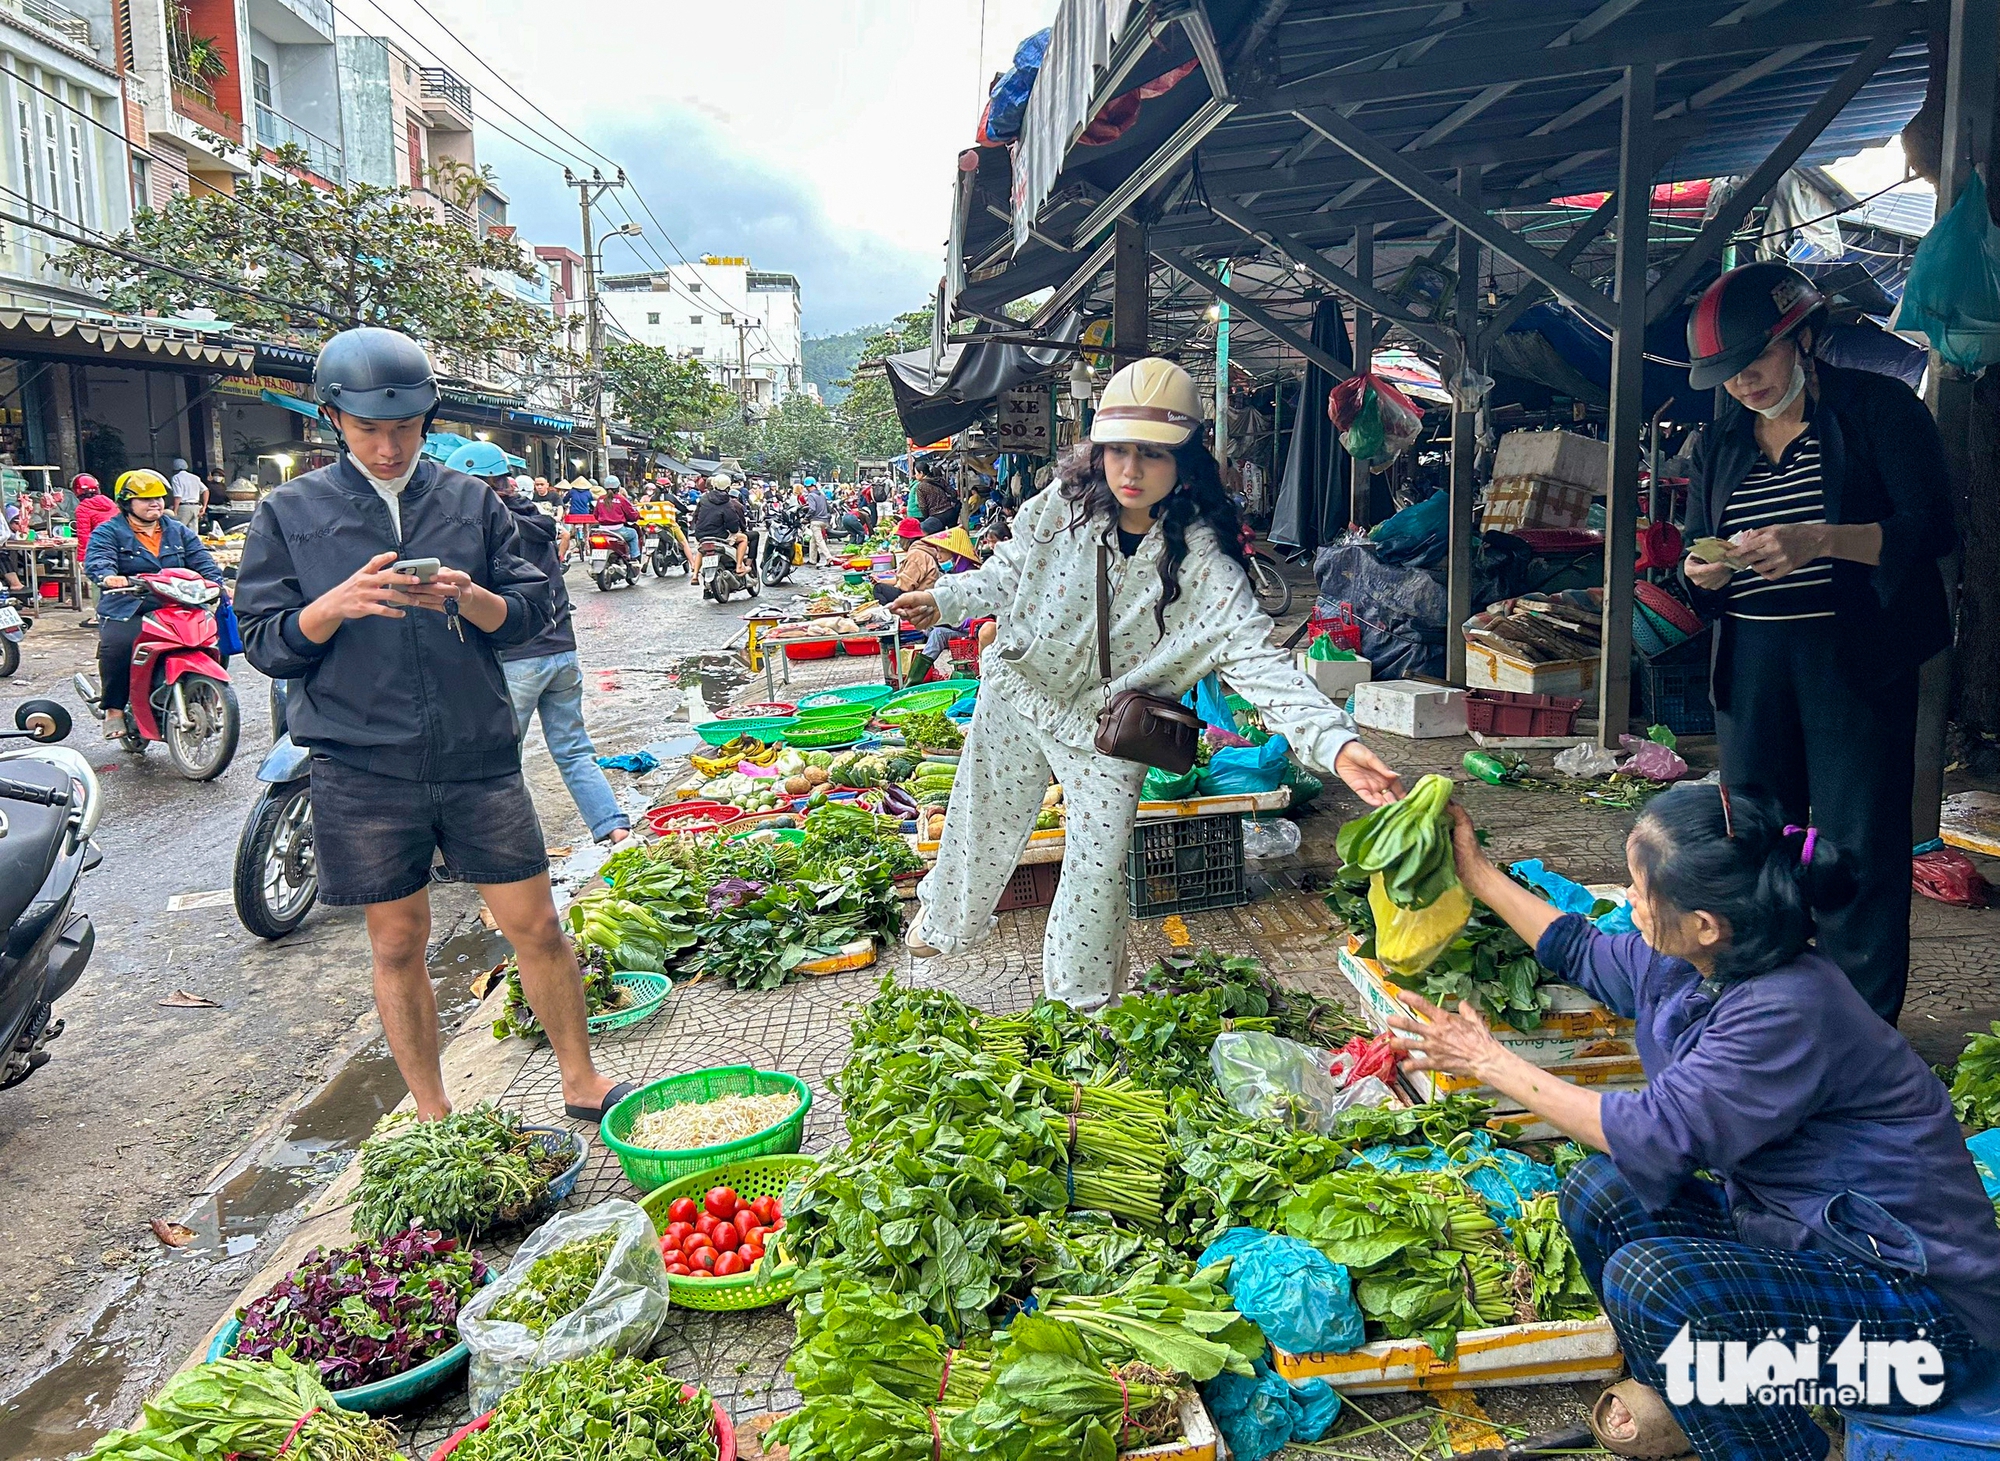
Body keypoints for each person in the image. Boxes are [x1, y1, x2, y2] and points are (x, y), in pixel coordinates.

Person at [1389, 788, 2000, 1461]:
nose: (1628, 899)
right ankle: (1706, 1409)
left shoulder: (1786, 1010)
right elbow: (1582, 949)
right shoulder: (1698, 962)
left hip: (1924, 1327)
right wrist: (1475, 870)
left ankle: (1782, 1451)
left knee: (1658, 1281)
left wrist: (1486, 1059)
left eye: (1640, 889)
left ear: (1705, 922)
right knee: (1602, 1192)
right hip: (1813, 1251)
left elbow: (1649, 1132)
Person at [891, 357, 1404, 1007]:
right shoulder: (1061, 508)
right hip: (1021, 691)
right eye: (1119, 451)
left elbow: (1258, 660)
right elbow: (1006, 574)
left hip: (1110, 731)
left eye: (1153, 455)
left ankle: (1082, 1016)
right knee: (978, 826)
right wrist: (943, 599)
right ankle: (945, 921)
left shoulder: (1205, 563)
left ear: (1184, 460)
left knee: (1098, 876)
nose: (1131, 471)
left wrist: (1335, 742)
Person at [234, 326, 635, 1125]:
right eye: (369, 430)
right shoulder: (289, 511)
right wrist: (331, 608)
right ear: (333, 420)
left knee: (537, 923)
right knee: (396, 939)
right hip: (359, 759)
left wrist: (467, 596)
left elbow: (531, 613)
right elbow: (263, 641)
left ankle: (582, 1081)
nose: (388, 448)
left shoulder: (469, 499)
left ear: (428, 420)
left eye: (404, 429)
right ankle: (432, 1111)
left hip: (476, 749)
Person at [1679, 261, 1954, 1025]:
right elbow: (1695, 547)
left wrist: (1820, 540)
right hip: (1753, 671)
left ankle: (1862, 1034)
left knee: (1857, 847)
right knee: (1759, 846)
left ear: (1802, 335)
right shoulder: (1723, 442)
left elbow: (1931, 529)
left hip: (1854, 666)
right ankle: (1765, 1020)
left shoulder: (1880, 409)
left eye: (1755, 363)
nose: (1744, 384)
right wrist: (1702, 569)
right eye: (1729, 375)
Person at [447, 442, 631, 848]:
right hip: (562, 650)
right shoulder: (536, 519)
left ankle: (503, 851)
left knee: (497, 760)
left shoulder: (483, 529)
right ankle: (615, 829)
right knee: (574, 750)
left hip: (518, 659)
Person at [83, 469, 224, 739]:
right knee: (119, 646)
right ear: (127, 503)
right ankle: (113, 709)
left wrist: (217, 582)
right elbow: (98, 561)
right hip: (129, 606)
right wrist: (109, 577)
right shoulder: (109, 532)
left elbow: (202, 560)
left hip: (177, 604)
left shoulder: (178, 531)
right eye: (146, 499)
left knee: (211, 640)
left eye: (159, 498)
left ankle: (206, 694)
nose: (155, 504)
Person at [72, 473, 113, 627]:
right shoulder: (109, 503)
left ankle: (99, 616)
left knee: (98, 582)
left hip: (99, 549)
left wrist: (82, 558)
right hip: (116, 546)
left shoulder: (83, 508)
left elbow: (84, 536)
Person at [691, 473, 749, 581]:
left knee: (701, 549)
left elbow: (696, 515)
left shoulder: (704, 498)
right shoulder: (727, 502)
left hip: (701, 534)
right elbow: (733, 526)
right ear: (728, 487)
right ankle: (739, 566)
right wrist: (734, 530)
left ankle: (694, 576)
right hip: (719, 535)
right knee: (744, 538)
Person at [593, 475, 643, 562]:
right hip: (618, 530)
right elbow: (632, 515)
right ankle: (635, 557)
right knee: (633, 533)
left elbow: (596, 515)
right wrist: (638, 515)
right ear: (618, 487)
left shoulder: (600, 499)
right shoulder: (621, 499)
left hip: (603, 530)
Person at [167, 456, 207, 531]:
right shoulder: (195, 477)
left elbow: (178, 496)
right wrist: (204, 507)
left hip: (184, 507)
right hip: (196, 507)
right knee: (193, 532)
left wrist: (175, 510)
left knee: (178, 530)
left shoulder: (176, 478)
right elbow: (206, 490)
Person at [915, 468, 957, 534]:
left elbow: (923, 507)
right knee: (953, 536)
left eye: (916, 473)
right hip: (950, 513)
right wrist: (952, 503)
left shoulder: (920, 486)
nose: (915, 475)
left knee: (921, 529)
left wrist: (927, 518)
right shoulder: (940, 480)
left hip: (936, 517)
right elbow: (953, 492)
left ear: (921, 473)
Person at [801, 476, 831, 565]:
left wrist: (806, 518)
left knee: (819, 540)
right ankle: (812, 560)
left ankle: (828, 557)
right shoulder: (821, 494)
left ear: (807, 486)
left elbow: (812, 509)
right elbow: (828, 507)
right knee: (813, 540)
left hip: (816, 521)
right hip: (824, 521)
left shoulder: (811, 495)